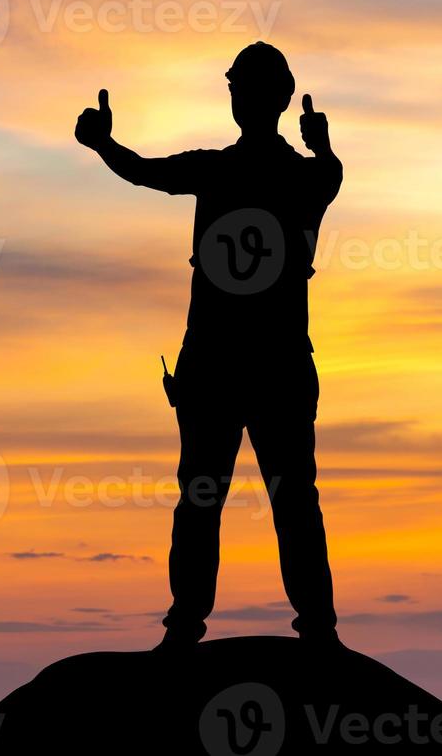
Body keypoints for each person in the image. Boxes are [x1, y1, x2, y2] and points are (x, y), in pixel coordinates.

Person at [75, 41, 343, 651]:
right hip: (251, 369)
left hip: (236, 368)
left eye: (239, 87)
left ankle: (210, 627)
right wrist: (319, 140)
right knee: (262, 499)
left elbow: (143, 170)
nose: (236, 96)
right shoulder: (304, 174)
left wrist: (102, 146)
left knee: (231, 498)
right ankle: (285, 629)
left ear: (255, 98)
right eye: (235, 86)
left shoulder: (228, 170)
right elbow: (145, 170)